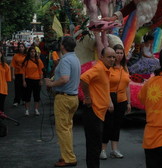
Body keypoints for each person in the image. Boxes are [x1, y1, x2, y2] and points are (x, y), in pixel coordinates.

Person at [45, 36, 80, 168]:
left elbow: (65, 78)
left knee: (63, 129)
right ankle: (67, 154)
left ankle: (69, 158)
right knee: (67, 129)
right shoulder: (75, 58)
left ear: (63, 46)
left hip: (64, 98)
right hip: (72, 97)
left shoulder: (65, 60)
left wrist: (52, 83)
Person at [80, 47, 115, 168]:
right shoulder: (99, 68)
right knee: (94, 147)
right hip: (93, 112)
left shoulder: (105, 69)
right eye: (109, 57)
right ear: (102, 57)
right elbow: (84, 78)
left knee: (95, 146)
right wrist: (88, 97)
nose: (112, 59)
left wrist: (109, 101)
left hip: (99, 112)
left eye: (113, 57)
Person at [100, 44, 131, 160]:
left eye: (121, 53)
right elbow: (105, 85)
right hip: (110, 98)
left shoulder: (125, 68)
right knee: (108, 124)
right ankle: (102, 149)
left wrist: (129, 102)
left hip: (122, 99)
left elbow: (127, 86)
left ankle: (115, 149)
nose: (119, 55)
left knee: (117, 125)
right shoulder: (108, 68)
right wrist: (109, 101)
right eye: (117, 53)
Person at [22, 46, 44, 116]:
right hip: (28, 80)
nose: (32, 53)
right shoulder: (26, 61)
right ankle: (27, 110)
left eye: (34, 52)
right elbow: (23, 72)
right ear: (29, 53)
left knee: (36, 96)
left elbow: (41, 71)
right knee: (27, 96)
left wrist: (41, 80)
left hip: (37, 80)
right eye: (31, 52)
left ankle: (36, 109)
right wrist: (24, 81)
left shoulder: (38, 61)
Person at [10, 42, 27, 106]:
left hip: (25, 74)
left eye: (22, 47)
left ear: (24, 48)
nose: (21, 48)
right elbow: (13, 65)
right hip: (17, 73)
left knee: (24, 87)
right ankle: (16, 101)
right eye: (20, 47)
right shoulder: (15, 56)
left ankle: (24, 100)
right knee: (17, 88)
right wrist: (13, 75)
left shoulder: (26, 55)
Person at [0, 47, 11, 112]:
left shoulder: (6, 66)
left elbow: (8, 79)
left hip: (2, 89)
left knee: (1, 106)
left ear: (1, 54)